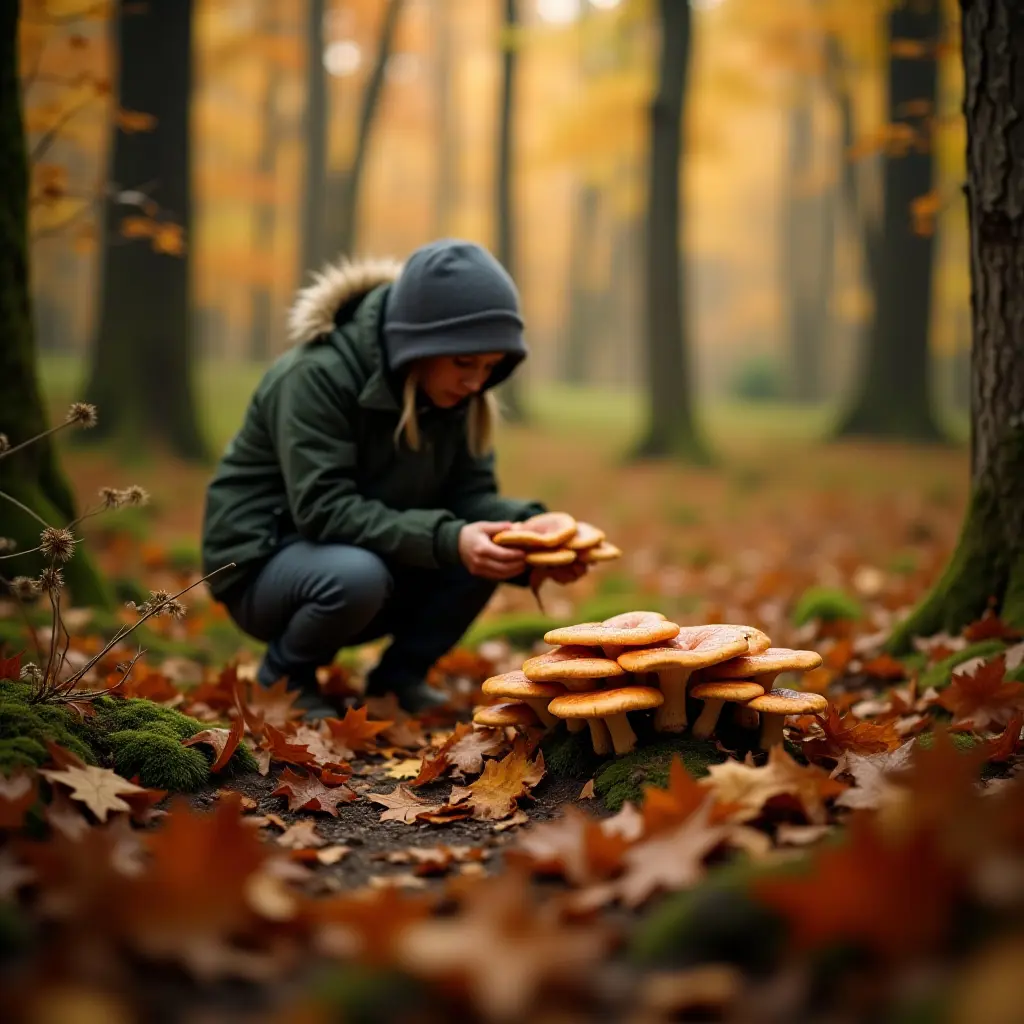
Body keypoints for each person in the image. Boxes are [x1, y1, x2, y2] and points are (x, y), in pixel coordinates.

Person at [201, 239, 586, 715]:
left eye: (489, 367)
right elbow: (323, 509)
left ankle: (397, 682)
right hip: (263, 565)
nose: (476, 383)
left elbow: (471, 499)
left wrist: (534, 538)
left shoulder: (457, 398)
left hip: (367, 558)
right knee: (358, 575)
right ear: (417, 345)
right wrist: (450, 538)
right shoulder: (314, 377)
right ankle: (284, 679)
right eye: (464, 362)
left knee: (490, 550)